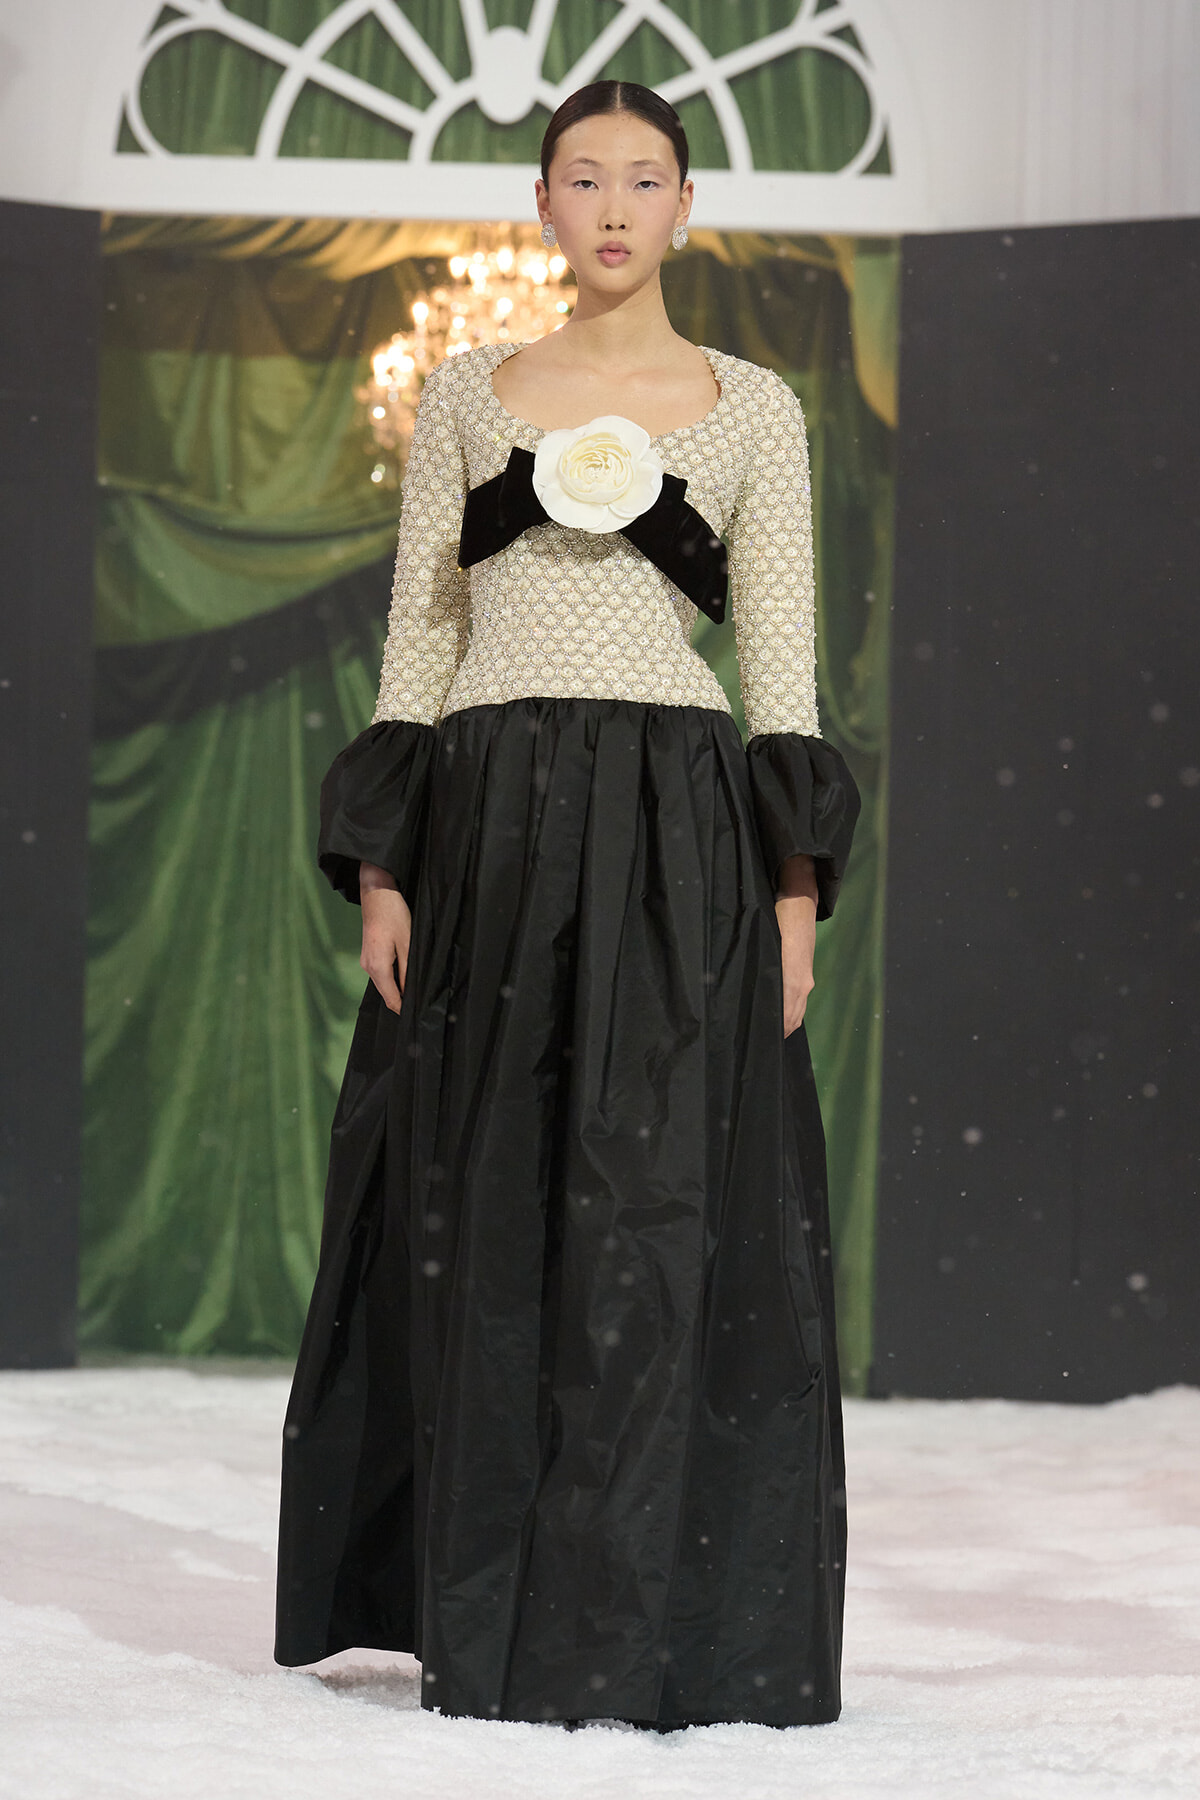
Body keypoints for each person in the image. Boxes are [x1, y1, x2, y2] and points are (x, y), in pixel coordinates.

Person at [274, 79, 860, 1731]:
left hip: (678, 835)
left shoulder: (756, 410)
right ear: (542, 205)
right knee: (489, 1207)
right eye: (583, 178)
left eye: (645, 179)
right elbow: (419, 636)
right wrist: (387, 864)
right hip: (487, 827)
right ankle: (489, 1620)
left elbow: (785, 662)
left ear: (686, 208)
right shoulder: (468, 393)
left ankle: (654, 1623)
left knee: (656, 1216)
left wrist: (796, 891)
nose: (613, 205)